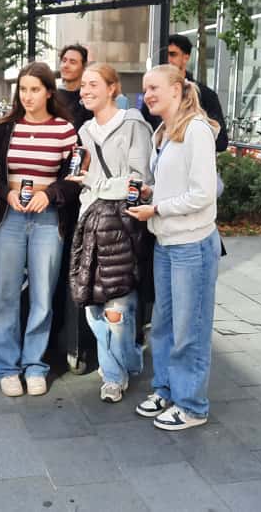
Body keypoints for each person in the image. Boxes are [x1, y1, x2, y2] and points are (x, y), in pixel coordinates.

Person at [0, 62, 79, 397]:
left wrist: (51, 194)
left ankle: (35, 364)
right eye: (23, 89)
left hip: (48, 220)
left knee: (43, 296)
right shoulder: (5, 128)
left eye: (35, 89)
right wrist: (6, 193)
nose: (27, 96)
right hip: (10, 219)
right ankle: (6, 367)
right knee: (4, 294)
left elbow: (74, 179)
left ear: (49, 92)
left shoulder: (65, 130)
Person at [127, 64, 220, 432]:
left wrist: (157, 208)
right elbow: (177, 183)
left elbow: (203, 194)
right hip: (166, 242)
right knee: (164, 326)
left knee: (189, 329)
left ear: (178, 90)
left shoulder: (196, 130)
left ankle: (192, 405)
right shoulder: (163, 132)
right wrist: (152, 192)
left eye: (154, 88)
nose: (147, 94)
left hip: (191, 245)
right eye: (145, 88)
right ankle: (166, 389)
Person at [68, 63, 152, 403]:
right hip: (90, 224)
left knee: (117, 310)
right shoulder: (85, 130)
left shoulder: (133, 124)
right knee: (93, 308)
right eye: (83, 86)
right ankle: (130, 359)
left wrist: (95, 183)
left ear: (112, 88)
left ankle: (114, 378)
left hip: (123, 225)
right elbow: (86, 181)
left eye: (93, 84)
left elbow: (139, 181)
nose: (85, 91)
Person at [141, 34, 229, 152]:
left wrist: (186, 136)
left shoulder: (206, 95)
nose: (168, 59)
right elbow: (143, 132)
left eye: (173, 54)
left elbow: (221, 141)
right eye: (165, 55)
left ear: (186, 58)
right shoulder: (153, 97)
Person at [56, 44, 93, 130]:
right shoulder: (51, 96)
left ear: (84, 67)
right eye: (64, 61)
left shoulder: (90, 97)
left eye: (72, 62)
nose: (66, 65)